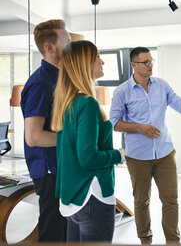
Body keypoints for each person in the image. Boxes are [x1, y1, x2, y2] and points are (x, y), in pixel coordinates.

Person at [110, 46, 181, 245]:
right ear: (134, 65)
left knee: (171, 200)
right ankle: (145, 239)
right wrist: (138, 127)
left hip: (165, 153)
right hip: (137, 156)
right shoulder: (121, 92)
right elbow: (115, 123)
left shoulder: (162, 86)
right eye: (146, 62)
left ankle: (172, 241)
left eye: (152, 61)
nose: (151, 65)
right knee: (141, 201)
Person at [51, 40, 125, 242]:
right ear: (84, 64)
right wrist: (119, 155)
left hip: (73, 197)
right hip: (92, 196)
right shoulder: (88, 103)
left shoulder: (67, 103)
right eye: (97, 57)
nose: (102, 62)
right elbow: (88, 158)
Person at [20, 19, 70, 242]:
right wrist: (73, 138)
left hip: (61, 166)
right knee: (53, 234)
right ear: (50, 47)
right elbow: (33, 136)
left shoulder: (59, 78)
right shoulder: (40, 84)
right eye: (66, 40)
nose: (70, 45)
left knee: (65, 231)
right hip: (49, 170)